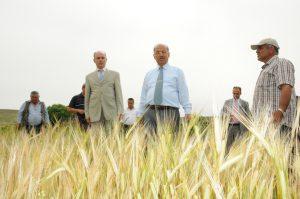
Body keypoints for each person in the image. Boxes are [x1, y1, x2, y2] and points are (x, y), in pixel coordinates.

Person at [138, 44, 192, 133]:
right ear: (154, 56)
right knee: (150, 143)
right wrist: (140, 114)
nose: (161, 54)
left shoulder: (177, 72)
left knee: (170, 143)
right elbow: (144, 95)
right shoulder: (149, 74)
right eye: (158, 52)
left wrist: (187, 111)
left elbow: (183, 92)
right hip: (150, 113)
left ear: (168, 54)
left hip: (170, 112)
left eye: (163, 52)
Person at [251, 38, 296, 136]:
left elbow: (286, 86)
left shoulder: (281, 63)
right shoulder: (266, 69)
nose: (257, 51)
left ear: (271, 49)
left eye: (260, 48)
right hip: (264, 126)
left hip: (278, 123)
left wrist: (280, 111)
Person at [85, 51, 124, 131]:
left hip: (111, 113)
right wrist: (87, 114)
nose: (100, 60)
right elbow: (87, 98)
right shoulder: (89, 77)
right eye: (98, 58)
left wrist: (120, 111)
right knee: (96, 140)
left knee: (111, 139)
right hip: (94, 113)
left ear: (106, 59)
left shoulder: (115, 75)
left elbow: (119, 95)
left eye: (102, 58)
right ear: (94, 60)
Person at [221, 86, 251, 153]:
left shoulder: (245, 103)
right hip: (229, 127)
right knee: (227, 146)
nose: (235, 95)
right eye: (234, 93)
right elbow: (222, 113)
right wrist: (228, 116)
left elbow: (248, 115)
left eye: (237, 93)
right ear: (232, 93)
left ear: (240, 93)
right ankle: (226, 161)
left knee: (240, 146)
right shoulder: (227, 102)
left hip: (240, 128)